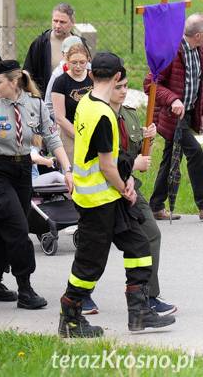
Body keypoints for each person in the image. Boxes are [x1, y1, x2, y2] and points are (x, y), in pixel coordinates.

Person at [58, 52, 176, 337]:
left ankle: (140, 314)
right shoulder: (102, 113)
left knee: (138, 246)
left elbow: (108, 156)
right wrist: (127, 181)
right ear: (116, 78)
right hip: (98, 200)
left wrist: (124, 182)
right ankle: (70, 319)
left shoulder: (86, 102)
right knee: (89, 264)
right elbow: (107, 165)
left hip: (110, 197)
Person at [0, 60, 71, 310]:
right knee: (18, 227)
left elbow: (52, 137)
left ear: (14, 82)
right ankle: (25, 287)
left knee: (6, 227)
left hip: (22, 169)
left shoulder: (35, 105)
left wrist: (67, 170)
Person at [144, 13, 203, 220]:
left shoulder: (198, 50)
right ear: (198, 35)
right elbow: (150, 84)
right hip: (172, 116)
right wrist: (172, 100)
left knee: (170, 159)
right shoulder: (171, 52)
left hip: (186, 114)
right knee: (195, 152)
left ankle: (156, 206)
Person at [23, 3, 81, 96]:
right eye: (55, 21)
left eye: (62, 22)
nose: (57, 25)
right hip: (45, 97)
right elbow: (28, 74)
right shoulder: (40, 44)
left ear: (72, 23)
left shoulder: (79, 44)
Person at [50, 41, 92, 159]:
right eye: (74, 62)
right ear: (67, 62)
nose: (78, 66)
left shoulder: (92, 77)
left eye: (82, 62)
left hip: (92, 130)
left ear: (88, 60)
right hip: (69, 133)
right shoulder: (60, 82)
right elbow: (60, 118)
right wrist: (79, 136)